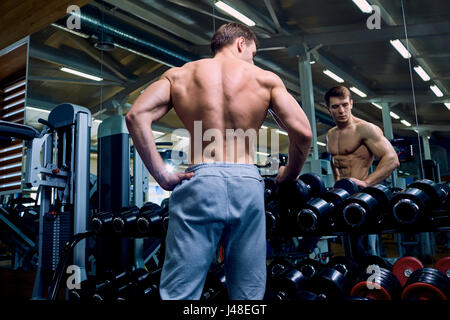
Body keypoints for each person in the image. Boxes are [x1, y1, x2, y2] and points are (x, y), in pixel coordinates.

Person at [125, 22, 312, 300]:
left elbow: (135, 115)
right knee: (248, 293)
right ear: (240, 43)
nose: (252, 59)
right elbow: (304, 133)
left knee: (179, 292)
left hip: (200, 182)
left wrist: (162, 176)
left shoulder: (179, 76)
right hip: (247, 183)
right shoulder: (265, 79)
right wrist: (290, 175)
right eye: (253, 52)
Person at [324, 86, 400, 258]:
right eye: (335, 107)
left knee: (368, 253)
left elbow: (392, 159)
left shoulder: (365, 129)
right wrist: (336, 186)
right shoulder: (331, 134)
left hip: (363, 198)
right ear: (328, 109)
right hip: (342, 199)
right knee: (350, 251)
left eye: (344, 105)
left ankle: (374, 283)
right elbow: (335, 162)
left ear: (351, 103)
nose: (341, 110)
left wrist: (366, 183)